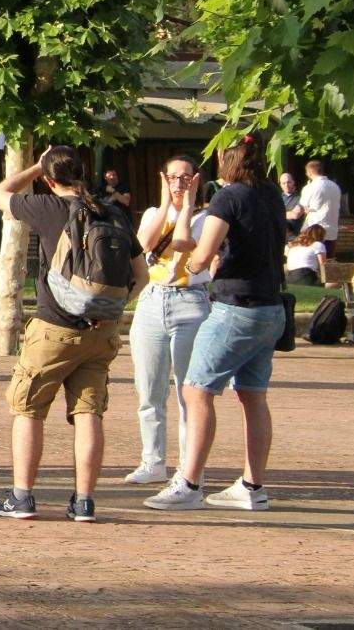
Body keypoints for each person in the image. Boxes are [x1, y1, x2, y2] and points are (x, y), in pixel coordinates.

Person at [0, 145, 149, 522]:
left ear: (48, 179)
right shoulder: (115, 213)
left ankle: (22, 496)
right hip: (101, 333)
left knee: (28, 409)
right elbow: (141, 275)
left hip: (53, 328)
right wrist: (111, 309)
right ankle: (84, 501)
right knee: (89, 412)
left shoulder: (48, 208)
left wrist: (32, 165)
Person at [145, 135, 289, 513]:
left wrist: (196, 265)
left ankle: (189, 483)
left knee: (196, 390)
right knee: (252, 394)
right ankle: (252, 486)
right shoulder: (272, 194)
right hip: (271, 306)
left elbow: (202, 252)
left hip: (235, 308)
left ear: (227, 159)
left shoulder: (229, 197)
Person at [122, 154, 212, 486]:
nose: (178, 183)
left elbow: (183, 244)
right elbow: (145, 243)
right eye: (172, 177)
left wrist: (187, 204)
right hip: (152, 300)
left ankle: (189, 467)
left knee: (189, 391)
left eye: (185, 177)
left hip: (191, 302)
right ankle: (152, 460)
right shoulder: (152, 214)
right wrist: (165, 203)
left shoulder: (207, 218)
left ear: (197, 180)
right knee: (149, 388)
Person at [297, 160, 342, 257]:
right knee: (328, 263)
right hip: (332, 231)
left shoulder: (310, 187)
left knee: (313, 264)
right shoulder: (335, 186)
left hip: (314, 232)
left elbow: (302, 207)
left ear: (309, 172)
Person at [278, 172, 302, 236]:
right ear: (280, 185)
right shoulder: (277, 198)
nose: (286, 185)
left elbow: (295, 215)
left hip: (296, 237)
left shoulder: (301, 198)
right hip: (280, 237)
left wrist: (278, 214)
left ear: (293, 182)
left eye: (289, 182)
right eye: (283, 183)